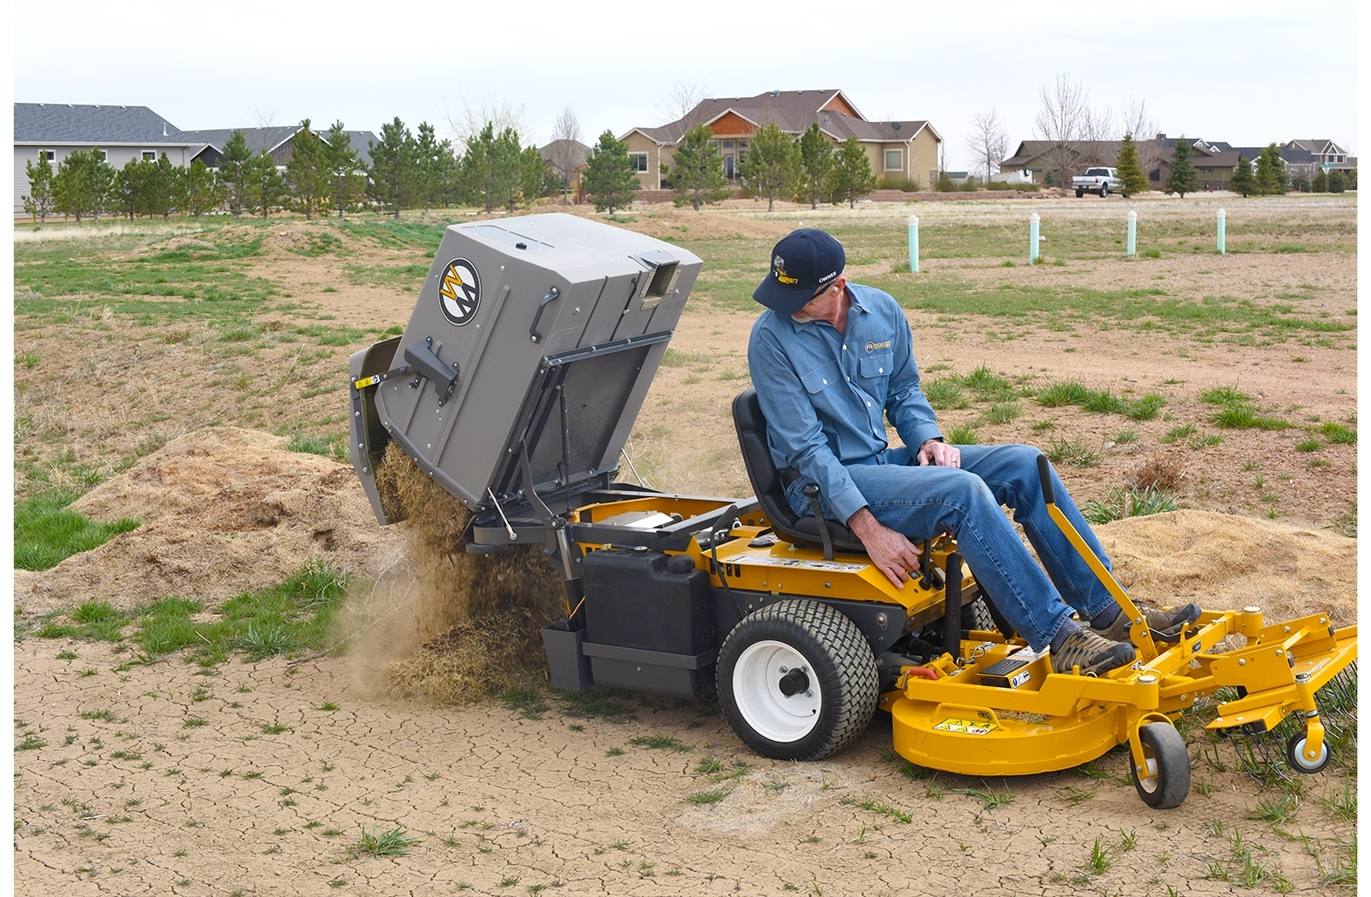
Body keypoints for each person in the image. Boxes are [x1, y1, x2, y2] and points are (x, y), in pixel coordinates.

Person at [746, 228, 1198, 676]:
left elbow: (903, 391)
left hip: (881, 465)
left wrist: (929, 440)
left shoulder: (882, 311)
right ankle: (1060, 637)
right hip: (821, 486)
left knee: (1025, 463)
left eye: (801, 298)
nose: (787, 309)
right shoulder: (770, 339)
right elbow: (806, 448)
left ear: (838, 287)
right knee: (960, 492)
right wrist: (869, 529)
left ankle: (1110, 614)